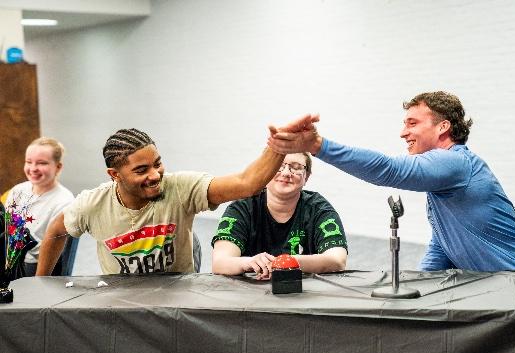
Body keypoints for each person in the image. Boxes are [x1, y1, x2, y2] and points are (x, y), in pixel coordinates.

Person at [268, 91, 515, 272]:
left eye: (412, 123)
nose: (403, 132)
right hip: (495, 291)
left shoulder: (455, 162)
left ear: (443, 127)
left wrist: (318, 145)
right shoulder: (442, 180)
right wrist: (417, 285)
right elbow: (443, 244)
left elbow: (389, 170)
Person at [35, 119, 317, 276]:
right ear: (114, 174)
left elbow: (247, 184)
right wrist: (42, 284)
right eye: (141, 170)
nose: (155, 175)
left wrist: (279, 147)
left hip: (178, 291)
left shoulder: (180, 187)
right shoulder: (92, 204)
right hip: (121, 297)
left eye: (157, 163)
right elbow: (57, 232)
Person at [211, 152, 348, 280]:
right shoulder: (242, 208)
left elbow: (337, 260)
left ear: (306, 177)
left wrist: (284, 263)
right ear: (266, 171)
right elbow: (220, 263)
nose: (286, 173)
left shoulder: (319, 209)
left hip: (302, 293)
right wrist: (249, 262)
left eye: (296, 167)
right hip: (249, 295)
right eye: (278, 166)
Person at [4, 137, 74, 276]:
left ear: (58, 167)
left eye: (42, 163)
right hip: (10, 258)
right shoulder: (17, 191)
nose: (33, 168)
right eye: (29, 162)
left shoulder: (64, 202)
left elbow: (52, 250)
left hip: (37, 266)